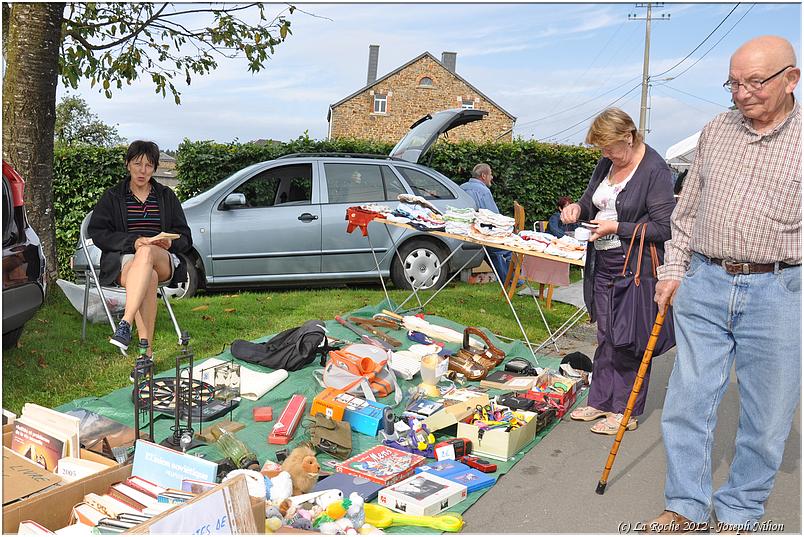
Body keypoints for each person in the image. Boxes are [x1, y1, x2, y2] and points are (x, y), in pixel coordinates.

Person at [648, 36, 800, 531]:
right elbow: (686, 213)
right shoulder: (715, 131)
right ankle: (685, 507)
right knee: (687, 400)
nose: (741, 93)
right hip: (706, 282)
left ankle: (740, 511)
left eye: (755, 81)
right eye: (733, 82)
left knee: (767, 415)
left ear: (790, 79)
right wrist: (673, 271)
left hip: (780, 291)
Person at [560, 108, 675, 434]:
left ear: (628, 136)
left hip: (635, 268)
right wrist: (576, 209)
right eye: (601, 149)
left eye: (609, 147)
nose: (605, 154)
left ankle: (626, 409)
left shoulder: (655, 170)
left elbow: (665, 226)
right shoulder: (607, 162)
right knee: (606, 334)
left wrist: (617, 226)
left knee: (629, 339)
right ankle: (599, 401)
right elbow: (589, 200)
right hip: (603, 262)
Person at [88, 140, 192, 378]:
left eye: (148, 165)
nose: (142, 170)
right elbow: (98, 233)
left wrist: (170, 243)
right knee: (148, 275)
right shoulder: (113, 196)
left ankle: (125, 323)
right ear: (128, 165)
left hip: (163, 258)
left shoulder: (166, 196)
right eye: (137, 164)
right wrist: (132, 242)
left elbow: (186, 236)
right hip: (127, 262)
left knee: (147, 253)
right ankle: (145, 354)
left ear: (154, 168)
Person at [461, 163, 512, 281]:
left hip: (465, 231)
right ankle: (514, 280)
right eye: (491, 174)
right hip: (481, 233)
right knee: (507, 249)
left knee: (492, 252)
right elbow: (494, 217)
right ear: (483, 176)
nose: (492, 177)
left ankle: (510, 281)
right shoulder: (483, 191)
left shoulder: (461, 187)